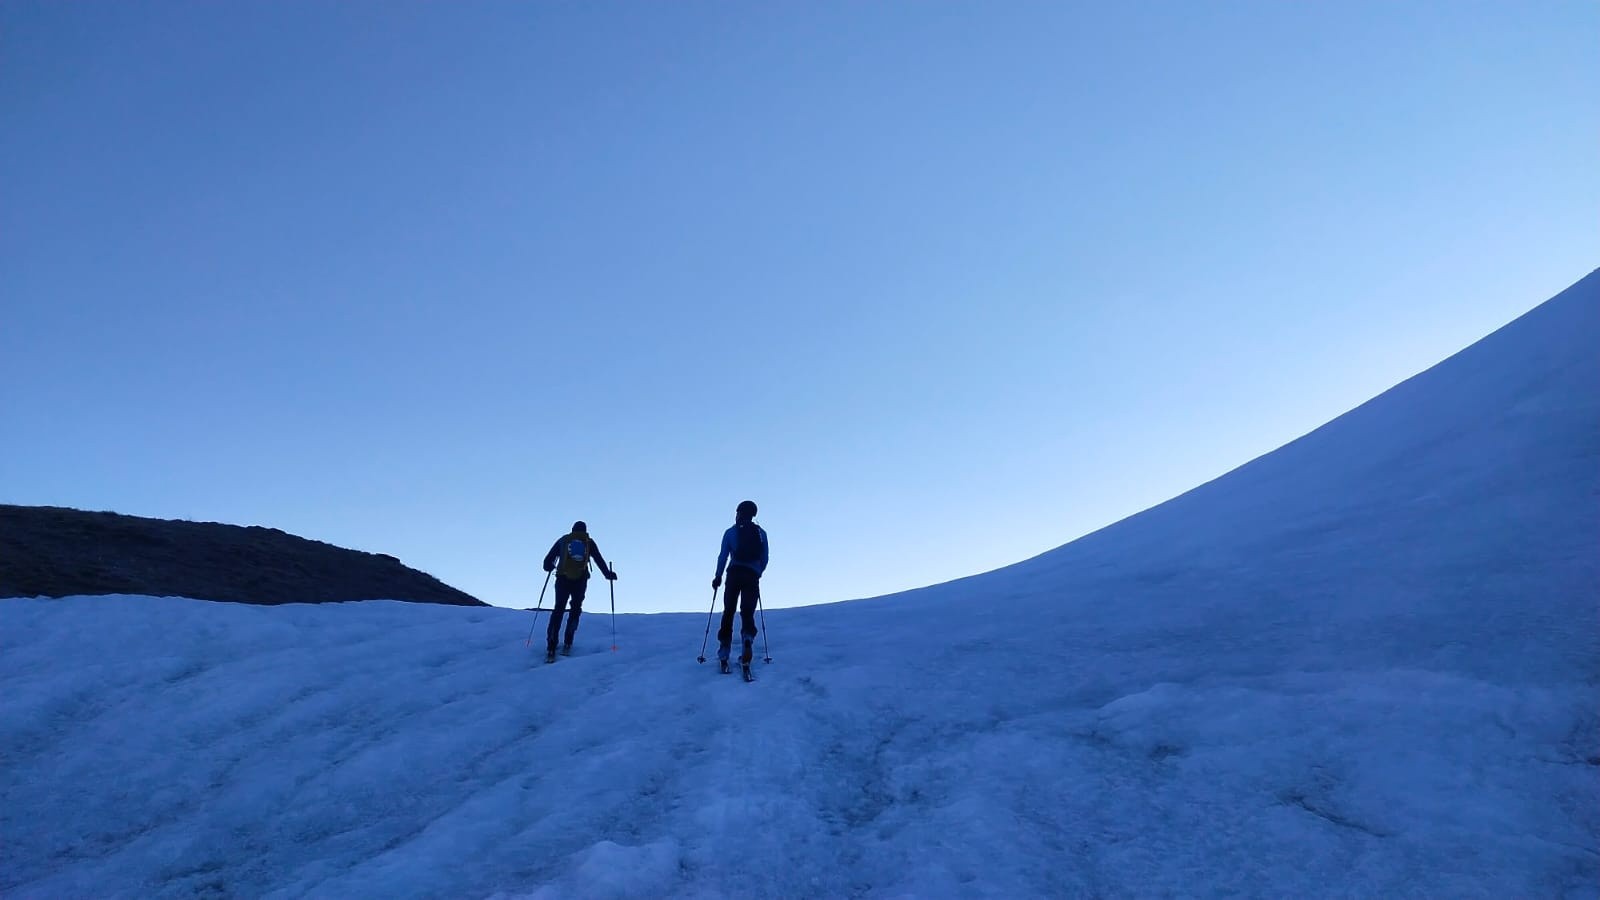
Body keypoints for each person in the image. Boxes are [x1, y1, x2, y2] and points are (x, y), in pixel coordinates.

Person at [541, 521, 616, 661]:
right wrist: (608, 574)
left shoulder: (563, 540)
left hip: (562, 579)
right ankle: (568, 643)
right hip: (580, 580)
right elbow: (599, 559)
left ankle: (551, 645)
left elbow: (547, 562)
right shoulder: (588, 542)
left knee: (558, 609)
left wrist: (550, 567)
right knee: (575, 609)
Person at [712, 500, 769, 667]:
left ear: (738, 513)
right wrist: (758, 571)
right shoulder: (761, 533)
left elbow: (723, 556)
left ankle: (724, 649)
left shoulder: (730, 532)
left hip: (734, 573)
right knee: (747, 611)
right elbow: (765, 558)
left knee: (729, 610)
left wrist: (718, 576)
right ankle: (747, 639)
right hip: (751, 575)